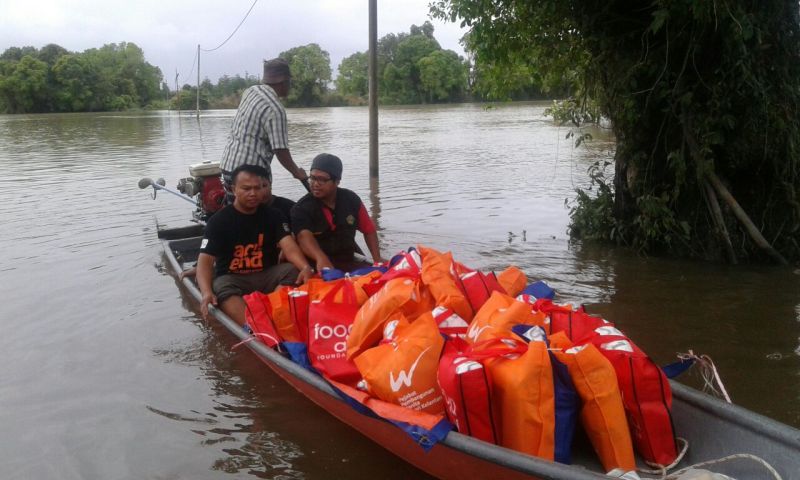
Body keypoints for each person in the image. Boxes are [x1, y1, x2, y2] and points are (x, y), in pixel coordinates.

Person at [197, 164, 314, 326]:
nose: (253, 193)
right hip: (233, 278)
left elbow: (289, 247)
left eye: (257, 188)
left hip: (266, 275)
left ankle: (275, 315)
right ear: (233, 189)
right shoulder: (218, 221)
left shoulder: (274, 215)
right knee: (219, 285)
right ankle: (252, 327)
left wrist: (305, 267)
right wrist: (206, 293)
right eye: (246, 188)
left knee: (292, 271)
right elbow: (205, 261)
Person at [219, 57, 308, 193]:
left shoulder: (250, 91)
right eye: (289, 81)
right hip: (250, 174)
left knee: (236, 211)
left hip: (228, 166)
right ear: (283, 81)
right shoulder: (275, 109)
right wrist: (297, 172)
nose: (290, 85)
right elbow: (280, 150)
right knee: (260, 212)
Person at [291, 153, 385, 272]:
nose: (315, 184)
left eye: (322, 180)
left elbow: (369, 230)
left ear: (337, 181)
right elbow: (304, 237)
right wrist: (320, 258)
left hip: (347, 260)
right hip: (317, 265)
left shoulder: (351, 199)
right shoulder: (301, 208)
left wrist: (377, 258)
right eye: (313, 178)